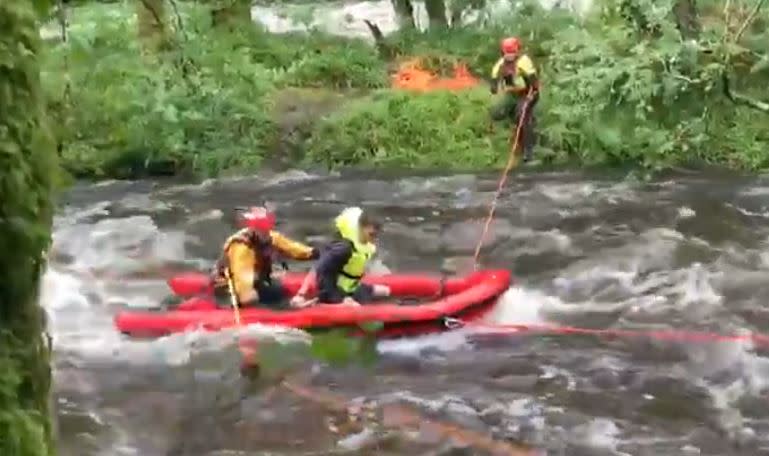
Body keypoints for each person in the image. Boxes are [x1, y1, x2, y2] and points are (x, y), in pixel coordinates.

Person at [211, 206, 319, 308]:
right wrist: (246, 294)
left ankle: (287, 304)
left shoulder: (269, 236)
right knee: (267, 298)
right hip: (230, 288)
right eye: (262, 229)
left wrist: (313, 253)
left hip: (254, 280)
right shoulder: (242, 247)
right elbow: (242, 274)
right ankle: (289, 309)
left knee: (279, 292)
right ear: (253, 229)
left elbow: (291, 247)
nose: (266, 233)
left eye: (267, 228)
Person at [290, 207, 390, 308]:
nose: (374, 239)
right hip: (332, 290)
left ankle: (351, 298)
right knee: (355, 308)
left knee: (386, 291)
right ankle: (317, 305)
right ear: (361, 227)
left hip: (350, 287)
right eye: (372, 234)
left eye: (377, 235)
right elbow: (318, 267)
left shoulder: (363, 244)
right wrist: (301, 294)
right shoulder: (343, 249)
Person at [489, 36, 540, 163]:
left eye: (512, 53)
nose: (510, 56)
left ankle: (528, 150)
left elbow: (534, 82)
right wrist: (494, 86)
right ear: (503, 53)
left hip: (528, 93)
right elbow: (494, 81)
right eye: (507, 54)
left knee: (522, 116)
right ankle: (514, 114)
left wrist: (532, 94)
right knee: (496, 113)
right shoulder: (500, 65)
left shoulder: (524, 62)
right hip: (512, 95)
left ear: (517, 51)